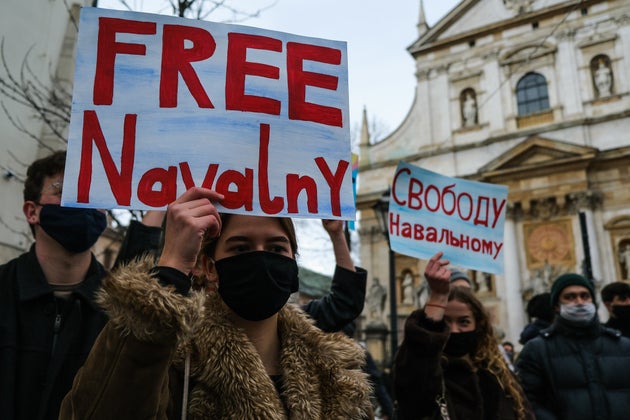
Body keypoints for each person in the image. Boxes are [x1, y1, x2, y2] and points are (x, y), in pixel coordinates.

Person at [60, 187, 372, 418]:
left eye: (276, 250)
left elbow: (345, 301)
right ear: (209, 267)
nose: (260, 259)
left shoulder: (334, 374)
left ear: (293, 265)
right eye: (240, 248)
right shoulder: (173, 363)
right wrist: (171, 265)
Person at [0, 150, 109, 420]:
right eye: (64, 192)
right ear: (32, 211)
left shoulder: (121, 311)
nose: (80, 203)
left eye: (89, 195)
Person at [394, 252, 533, 420]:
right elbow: (412, 388)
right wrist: (437, 298)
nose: (454, 330)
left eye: (464, 322)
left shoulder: (497, 373)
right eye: (445, 322)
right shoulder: (426, 370)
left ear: (478, 325)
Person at [516, 273, 630, 419]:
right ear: (557, 306)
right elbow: (528, 401)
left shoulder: (623, 346)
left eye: (585, 296)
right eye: (570, 297)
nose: (580, 302)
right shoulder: (537, 350)